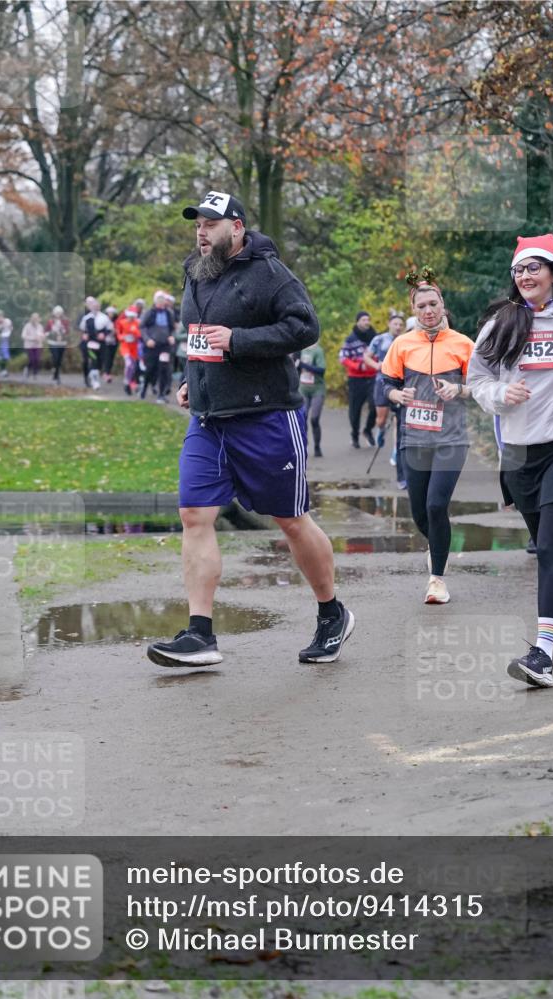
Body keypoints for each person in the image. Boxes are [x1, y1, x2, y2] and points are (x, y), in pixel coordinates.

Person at [147, 189, 355, 668]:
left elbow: (305, 328)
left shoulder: (270, 274)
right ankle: (200, 634)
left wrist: (240, 340)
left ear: (236, 228)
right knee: (194, 514)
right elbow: (202, 341)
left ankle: (332, 613)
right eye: (197, 224)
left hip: (266, 417)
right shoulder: (194, 273)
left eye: (210, 224)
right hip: (209, 419)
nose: (201, 232)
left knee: (290, 519)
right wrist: (189, 383)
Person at [467, 234, 553, 688]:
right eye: (518, 270)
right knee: (549, 546)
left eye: (533, 268)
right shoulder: (502, 324)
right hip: (520, 453)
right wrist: (501, 394)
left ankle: (541, 654)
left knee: (547, 548)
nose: (524, 276)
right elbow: (478, 378)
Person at [381, 268, 474, 605]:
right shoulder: (402, 344)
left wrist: (459, 389)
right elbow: (386, 384)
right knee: (420, 514)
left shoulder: (463, 344)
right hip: (414, 439)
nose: (428, 311)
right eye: (421, 306)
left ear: (442, 305)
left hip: (451, 439)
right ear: (414, 310)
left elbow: (482, 387)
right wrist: (396, 397)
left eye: (433, 304)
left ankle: (437, 580)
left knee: (437, 506)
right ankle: (438, 550)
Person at [364, 309, 406, 485]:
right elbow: (366, 356)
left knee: (398, 419)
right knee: (381, 419)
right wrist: (376, 365)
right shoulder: (379, 339)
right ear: (389, 324)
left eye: (400, 325)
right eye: (395, 324)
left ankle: (396, 451)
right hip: (382, 382)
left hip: (400, 384)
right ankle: (380, 430)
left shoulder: (405, 340)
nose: (398, 327)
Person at [339, 311, 378, 448]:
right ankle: (354, 434)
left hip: (373, 377)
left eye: (368, 319)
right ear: (357, 322)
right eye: (363, 319)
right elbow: (343, 358)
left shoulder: (375, 337)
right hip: (356, 379)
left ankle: (367, 430)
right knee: (355, 411)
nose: (366, 322)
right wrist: (358, 366)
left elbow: (380, 353)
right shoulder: (351, 339)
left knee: (375, 405)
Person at [140, 291, 176, 402]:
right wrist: (147, 340)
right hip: (152, 346)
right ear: (155, 301)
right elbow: (142, 327)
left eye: (163, 300)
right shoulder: (149, 313)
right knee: (150, 369)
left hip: (164, 346)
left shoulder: (169, 313)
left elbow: (172, 328)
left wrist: (171, 336)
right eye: (159, 300)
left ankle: (161, 395)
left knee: (163, 369)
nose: (161, 302)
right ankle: (144, 388)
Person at [298, 339, 326, 458]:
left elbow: (321, 370)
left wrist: (302, 365)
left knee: (314, 419)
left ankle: (317, 447)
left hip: (317, 389)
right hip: (303, 388)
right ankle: (303, 444)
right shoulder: (300, 350)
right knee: (302, 417)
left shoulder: (318, 351)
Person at [79, 297, 110, 390]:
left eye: (97, 306)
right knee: (93, 361)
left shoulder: (104, 318)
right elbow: (82, 329)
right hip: (91, 343)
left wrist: (104, 334)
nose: (95, 308)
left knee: (100, 362)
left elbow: (109, 329)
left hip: (101, 344)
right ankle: (95, 382)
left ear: (99, 307)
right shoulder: (87, 318)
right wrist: (84, 335)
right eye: (94, 306)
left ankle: (94, 376)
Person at [115, 305, 141, 395]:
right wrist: (123, 337)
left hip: (134, 347)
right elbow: (118, 335)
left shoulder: (137, 323)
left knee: (133, 366)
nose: (131, 318)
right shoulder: (122, 322)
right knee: (129, 364)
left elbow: (140, 335)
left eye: (132, 316)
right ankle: (127, 382)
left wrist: (135, 332)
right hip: (125, 346)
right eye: (130, 316)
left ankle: (129, 382)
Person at [45, 305, 70, 383]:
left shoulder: (65, 321)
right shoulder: (50, 321)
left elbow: (67, 331)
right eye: (57, 313)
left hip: (62, 343)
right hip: (53, 342)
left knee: (59, 359)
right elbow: (46, 331)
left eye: (59, 313)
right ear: (54, 313)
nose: (58, 314)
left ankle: (56, 373)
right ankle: (57, 375)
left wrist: (62, 332)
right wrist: (51, 333)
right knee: (55, 357)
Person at [21, 312, 45, 377]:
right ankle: (27, 368)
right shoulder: (27, 326)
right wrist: (33, 338)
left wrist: (41, 338)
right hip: (29, 346)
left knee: (37, 359)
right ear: (31, 318)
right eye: (34, 318)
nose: (35, 319)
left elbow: (43, 335)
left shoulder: (40, 326)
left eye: (36, 318)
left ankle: (35, 373)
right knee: (31, 359)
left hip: (38, 345)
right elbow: (23, 336)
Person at [102, 306, 119, 381]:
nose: (110, 314)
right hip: (106, 342)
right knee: (107, 357)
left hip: (114, 341)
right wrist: (109, 332)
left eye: (112, 313)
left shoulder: (116, 321)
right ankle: (106, 373)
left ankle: (109, 372)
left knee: (111, 357)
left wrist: (116, 332)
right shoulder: (103, 320)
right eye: (109, 313)